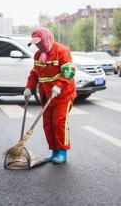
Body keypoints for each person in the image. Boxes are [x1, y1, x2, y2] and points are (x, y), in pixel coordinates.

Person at [24, 28, 76, 164]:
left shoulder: (61, 51)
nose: (38, 46)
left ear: (46, 39)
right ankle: (54, 151)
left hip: (63, 94)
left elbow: (69, 72)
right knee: (48, 124)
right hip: (46, 95)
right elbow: (35, 73)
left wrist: (59, 85)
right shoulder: (38, 55)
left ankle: (62, 152)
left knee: (59, 123)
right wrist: (29, 88)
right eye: (36, 44)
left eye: (39, 43)